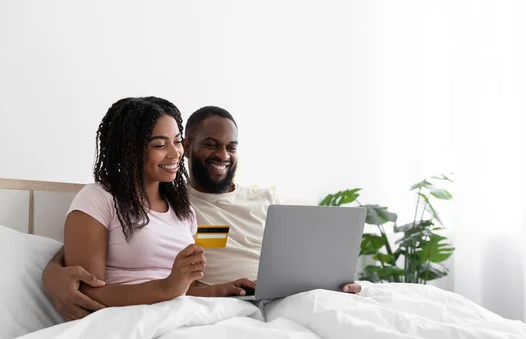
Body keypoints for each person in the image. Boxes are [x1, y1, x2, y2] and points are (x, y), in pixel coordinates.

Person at [42, 105, 361, 321]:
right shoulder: (187, 206)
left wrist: (330, 280)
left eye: (231, 146)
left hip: (273, 298)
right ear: (191, 146)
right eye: (210, 144)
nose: (222, 155)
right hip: (233, 309)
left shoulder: (261, 199)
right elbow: (102, 249)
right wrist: (52, 270)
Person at [48, 97, 255, 320]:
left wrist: (218, 290)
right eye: (159, 145)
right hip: (128, 322)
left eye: (176, 142)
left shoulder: (184, 213)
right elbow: (87, 292)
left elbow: (183, 291)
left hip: (181, 317)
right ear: (129, 150)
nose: (175, 153)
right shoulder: (98, 199)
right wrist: (166, 288)